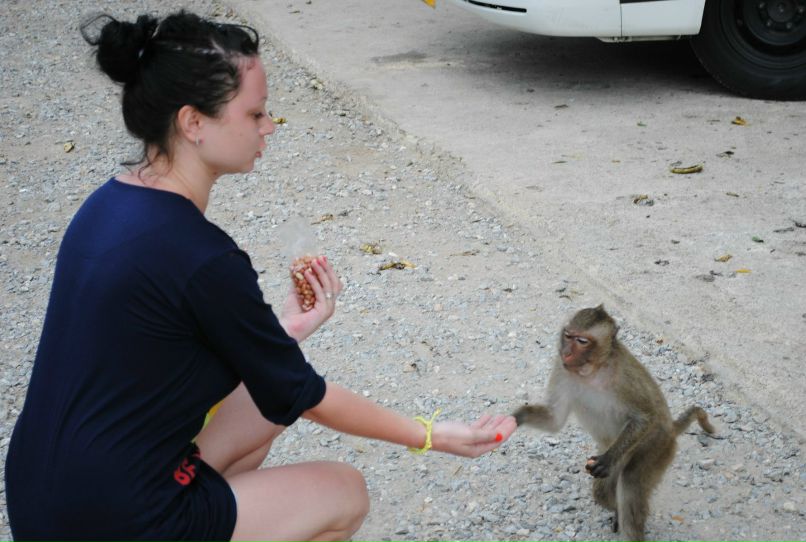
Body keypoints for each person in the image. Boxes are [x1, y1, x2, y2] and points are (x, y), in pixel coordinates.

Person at [4, 10, 516, 542]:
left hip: (43, 496)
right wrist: (430, 435)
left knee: (265, 409)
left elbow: (182, 353)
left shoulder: (107, 204)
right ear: (193, 123)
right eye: (255, 114)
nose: (269, 126)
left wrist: (283, 331)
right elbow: (308, 396)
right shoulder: (204, 257)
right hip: (118, 518)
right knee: (343, 493)